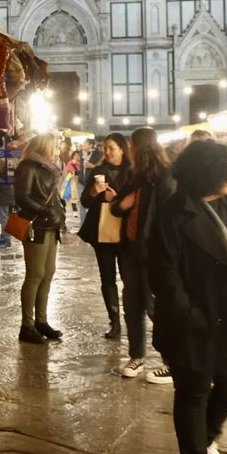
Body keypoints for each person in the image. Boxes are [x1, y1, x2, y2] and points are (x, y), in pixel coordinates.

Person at [150, 139, 227, 454]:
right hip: (194, 321)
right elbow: (164, 276)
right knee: (193, 391)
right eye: (224, 170)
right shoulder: (173, 213)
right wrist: (191, 317)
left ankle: (206, 440)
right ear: (207, 173)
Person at [114, 126, 177, 382]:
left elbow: (168, 219)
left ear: (139, 147)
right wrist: (122, 205)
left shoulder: (165, 177)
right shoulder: (134, 175)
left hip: (153, 252)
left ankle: (171, 361)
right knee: (132, 304)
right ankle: (137, 356)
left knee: (156, 307)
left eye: (131, 145)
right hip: (130, 249)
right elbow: (118, 206)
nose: (129, 149)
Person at [13, 132, 67, 344]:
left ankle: (41, 321)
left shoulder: (48, 168)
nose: (56, 150)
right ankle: (27, 326)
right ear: (45, 146)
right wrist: (45, 211)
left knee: (48, 273)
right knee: (35, 274)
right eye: (54, 146)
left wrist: (57, 210)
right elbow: (22, 197)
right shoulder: (28, 166)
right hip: (37, 226)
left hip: (51, 226)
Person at [78, 133, 131, 339]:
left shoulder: (132, 172)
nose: (107, 152)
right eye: (105, 148)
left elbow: (137, 203)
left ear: (122, 149)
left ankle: (132, 318)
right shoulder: (98, 171)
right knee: (107, 277)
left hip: (126, 232)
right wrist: (93, 191)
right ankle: (115, 322)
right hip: (102, 232)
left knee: (129, 278)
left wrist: (115, 198)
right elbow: (84, 202)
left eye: (112, 148)